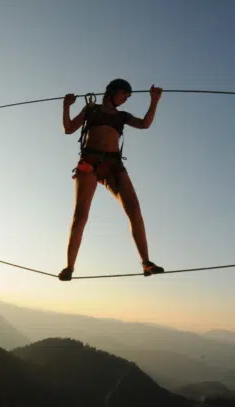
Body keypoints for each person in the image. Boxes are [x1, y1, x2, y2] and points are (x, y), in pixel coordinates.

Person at [58, 78, 165, 281]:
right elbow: (69, 128)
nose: (125, 99)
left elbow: (144, 124)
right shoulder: (92, 110)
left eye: (128, 97)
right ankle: (69, 267)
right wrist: (66, 106)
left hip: (114, 166)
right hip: (89, 163)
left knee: (134, 210)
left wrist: (155, 100)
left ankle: (146, 263)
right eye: (124, 94)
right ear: (112, 91)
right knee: (80, 215)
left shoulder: (122, 116)